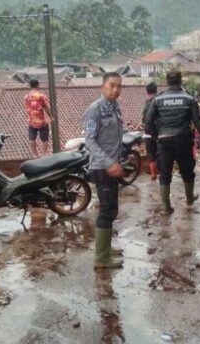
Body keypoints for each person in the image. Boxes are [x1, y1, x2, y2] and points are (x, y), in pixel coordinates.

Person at [145, 71, 200, 214]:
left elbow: (148, 122)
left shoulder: (157, 100)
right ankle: (189, 198)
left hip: (164, 141)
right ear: (180, 82)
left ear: (167, 82)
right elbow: (198, 121)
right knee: (187, 171)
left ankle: (165, 207)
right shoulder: (189, 99)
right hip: (183, 140)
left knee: (165, 174)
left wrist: (157, 137)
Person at [83, 72, 125, 269]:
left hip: (112, 166)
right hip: (102, 167)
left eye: (118, 86)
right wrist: (109, 163)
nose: (115, 90)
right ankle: (101, 257)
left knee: (112, 208)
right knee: (107, 210)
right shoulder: (95, 110)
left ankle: (106, 247)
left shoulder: (115, 107)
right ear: (102, 86)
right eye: (111, 86)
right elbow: (89, 141)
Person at [24, 78, 53, 158]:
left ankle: (34, 154)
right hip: (41, 121)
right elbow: (46, 107)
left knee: (31, 138)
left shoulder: (26, 97)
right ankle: (43, 154)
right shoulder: (41, 96)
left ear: (30, 86)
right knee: (45, 139)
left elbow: (27, 108)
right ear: (38, 85)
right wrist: (50, 117)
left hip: (31, 121)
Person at [142, 82, 159, 180]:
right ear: (156, 91)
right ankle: (161, 172)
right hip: (159, 131)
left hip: (148, 132)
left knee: (150, 152)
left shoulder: (146, 104)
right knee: (160, 151)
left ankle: (153, 174)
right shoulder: (159, 102)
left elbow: (144, 119)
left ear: (147, 92)